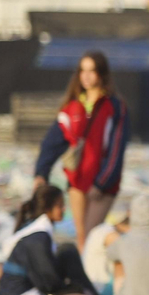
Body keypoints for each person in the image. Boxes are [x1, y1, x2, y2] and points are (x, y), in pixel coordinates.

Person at [34, 49, 129, 239]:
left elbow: (116, 150)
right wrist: (41, 173)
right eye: (82, 70)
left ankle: (91, 268)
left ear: (101, 74)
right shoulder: (73, 106)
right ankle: (83, 269)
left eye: (91, 70)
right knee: (81, 235)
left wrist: (101, 184)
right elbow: (52, 142)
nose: (85, 76)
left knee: (92, 233)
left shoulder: (114, 107)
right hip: (77, 180)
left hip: (102, 185)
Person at [0, 184, 101, 295]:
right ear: (47, 207)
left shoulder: (37, 230)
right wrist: (73, 290)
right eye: (60, 206)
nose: (64, 209)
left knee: (68, 252)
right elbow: (48, 284)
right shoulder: (38, 237)